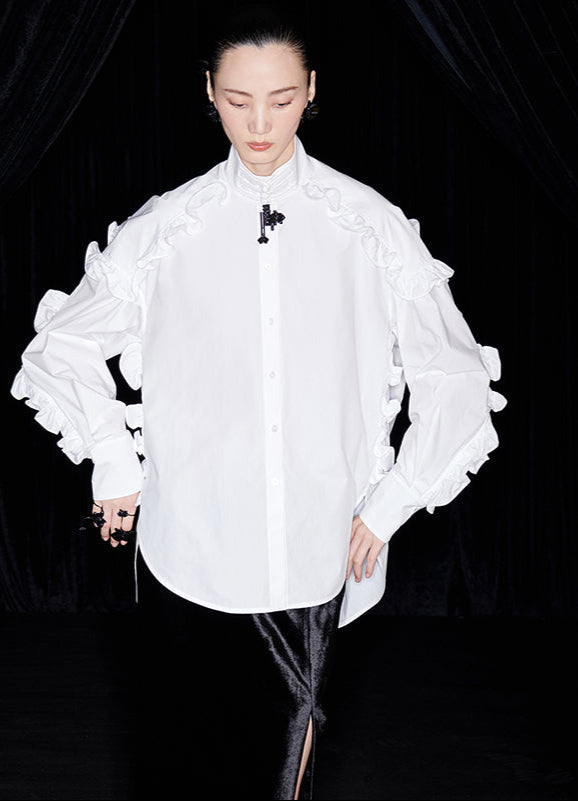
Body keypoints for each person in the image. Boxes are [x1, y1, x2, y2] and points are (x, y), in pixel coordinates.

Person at [10, 7, 506, 800]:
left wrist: (394, 500)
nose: (261, 124)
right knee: (182, 770)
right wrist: (112, 457)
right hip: (187, 553)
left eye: (281, 99)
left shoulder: (367, 226)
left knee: (281, 771)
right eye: (239, 101)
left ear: (311, 88)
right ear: (210, 92)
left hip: (309, 555)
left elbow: (457, 377)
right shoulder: (167, 228)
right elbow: (58, 350)